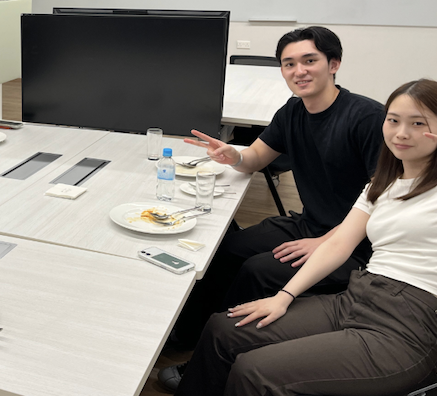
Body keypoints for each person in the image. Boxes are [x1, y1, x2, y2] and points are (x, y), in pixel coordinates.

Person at [175, 78, 437, 396]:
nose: (401, 133)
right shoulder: (383, 185)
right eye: (394, 120)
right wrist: (283, 297)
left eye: (418, 123)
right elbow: (337, 244)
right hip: (359, 297)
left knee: (255, 372)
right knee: (224, 329)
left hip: (408, 326)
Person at [159, 26, 385, 391]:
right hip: (310, 223)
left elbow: (384, 198)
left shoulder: (367, 118)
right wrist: (233, 156)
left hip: (356, 244)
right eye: (289, 63)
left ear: (334, 64)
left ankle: (217, 359)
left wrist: (325, 242)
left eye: (309, 61)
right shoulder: (293, 110)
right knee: (225, 249)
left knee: (258, 270)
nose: (299, 71)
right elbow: (255, 159)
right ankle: (190, 334)